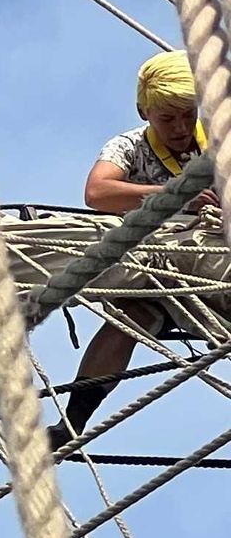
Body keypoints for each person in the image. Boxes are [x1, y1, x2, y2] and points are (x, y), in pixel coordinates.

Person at [56, 49, 214, 449]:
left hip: (215, 257)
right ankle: (71, 425)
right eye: (167, 118)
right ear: (145, 113)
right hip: (166, 270)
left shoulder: (217, 137)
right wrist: (174, 195)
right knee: (128, 318)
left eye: (187, 114)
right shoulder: (128, 146)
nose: (180, 127)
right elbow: (98, 192)